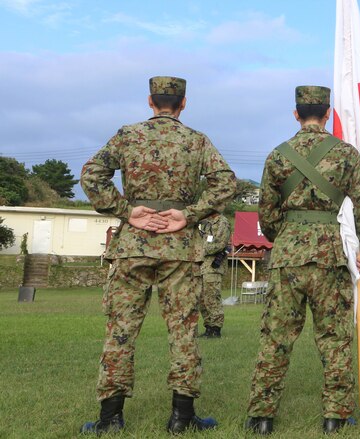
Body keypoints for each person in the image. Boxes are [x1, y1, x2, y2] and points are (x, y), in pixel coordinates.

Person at [80, 76, 237, 434]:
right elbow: (225, 182)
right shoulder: (196, 140)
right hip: (179, 247)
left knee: (120, 332)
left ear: (150, 102)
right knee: (183, 332)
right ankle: (182, 418)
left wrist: (126, 210)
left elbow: (91, 175)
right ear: (183, 104)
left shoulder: (128, 135)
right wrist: (189, 214)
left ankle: (110, 420)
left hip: (133, 244)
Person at [245, 85, 360, 435]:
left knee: (276, 338)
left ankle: (262, 417)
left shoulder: (277, 155)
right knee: (334, 338)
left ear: (296, 114)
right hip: (329, 255)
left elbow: (267, 213)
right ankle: (335, 417)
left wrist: (283, 238)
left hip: (287, 255)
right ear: (328, 113)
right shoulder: (346, 154)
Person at [198, 213, 232, 338]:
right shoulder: (206, 223)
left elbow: (221, 243)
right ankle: (208, 327)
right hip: (202, 267)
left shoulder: (222, 222)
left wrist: (201, 251)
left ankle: (216, 329)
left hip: (213, 267)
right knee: (202, 299)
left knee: (212, 297)